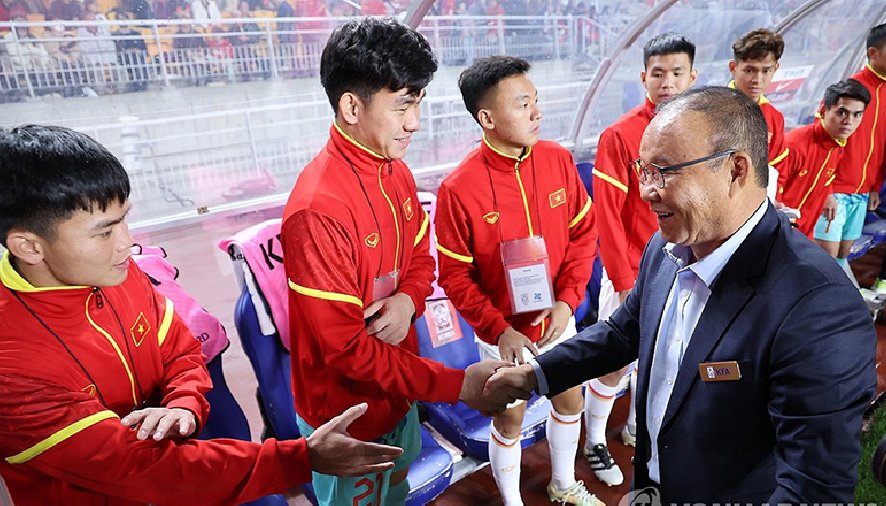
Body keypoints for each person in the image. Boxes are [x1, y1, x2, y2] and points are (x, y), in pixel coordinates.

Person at [482, 86, 878, 502]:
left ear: (736, 170)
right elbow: (623, 333)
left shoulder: (818, 307)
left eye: (665, 171)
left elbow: (812, 488)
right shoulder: (666, 247)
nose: (646, 190)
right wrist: (534, 375)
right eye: (644, 170)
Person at [0, 124, 410, 504]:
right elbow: (137, 466)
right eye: (105, 232)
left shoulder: (114, 273)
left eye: (124, 221)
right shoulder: (11, 364)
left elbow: (182, 350)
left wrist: (183, 404)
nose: (127, 243)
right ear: (29, 247)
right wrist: (301, 458)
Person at [281, 18, 523, 506]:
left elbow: (419, 258)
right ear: (352, 106)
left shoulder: (396, 173)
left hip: (398, 389)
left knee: (396, 489)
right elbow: (346, 349)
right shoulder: (316, 210)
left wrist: (408, 301)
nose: (415, 122)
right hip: (345, 415)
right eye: (403, 105)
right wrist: (457, 385)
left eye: (419, 102)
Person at [435, 56, 601, 506]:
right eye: (523, 104)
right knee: (509, 421)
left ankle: (563, 484)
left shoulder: (558, 160)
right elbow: (454, 275)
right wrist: (498, 330)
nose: (537, 113)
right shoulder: (459, 188)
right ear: (487, 118)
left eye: (536, 101)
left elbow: (583, 235)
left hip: (558, 320)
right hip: (504, 335)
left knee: (570, 402)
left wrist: (567, 302)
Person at [587, 32, 697, 486]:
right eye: (658, 73)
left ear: (693, 77)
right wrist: (622, 278)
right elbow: (607, 216)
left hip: (685, 267)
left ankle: (638, 427)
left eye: (677, 73)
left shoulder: (700, 129)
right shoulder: (619, 135)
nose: (667, 82)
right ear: (643, 77)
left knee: (666, 355)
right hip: (631, 271)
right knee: (614, 360)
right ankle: (594, 440)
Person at [815, 22, 886, 271]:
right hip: (835, 189)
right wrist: (825, 189)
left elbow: (883, 146)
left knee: (842, 255)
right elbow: (821, 141)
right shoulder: (848, 91)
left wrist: (875, 186)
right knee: (825, 261)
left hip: (862, 193)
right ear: (873, 52)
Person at [778, 79, 869, 238]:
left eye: (857, 115)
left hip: (802, 235)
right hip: (778, 235)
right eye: (841, 112)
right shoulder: (794, 145)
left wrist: (828, 194)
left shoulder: (837, 146)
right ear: (823, 111)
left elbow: (822, 180)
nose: (848, 122)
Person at [729, 28, 789, 190]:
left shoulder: (775, 117)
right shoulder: (712, 107)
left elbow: (777, 165)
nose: (757, 79)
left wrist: (775, 197)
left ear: (775, 69)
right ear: (733, 68)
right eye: (749, 70)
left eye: (766, 70)